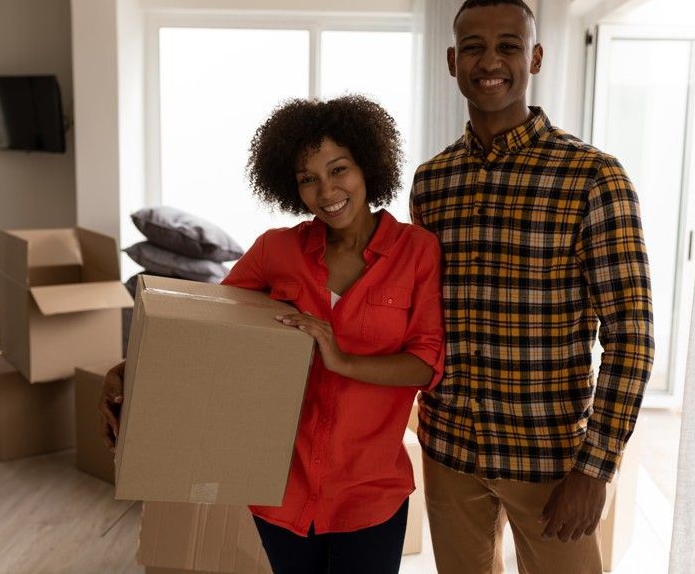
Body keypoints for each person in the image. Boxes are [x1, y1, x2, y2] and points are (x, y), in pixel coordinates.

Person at [99, 95, 445, 574]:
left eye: (339, 170)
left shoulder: (417, 252)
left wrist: (341, 358)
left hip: (370, 491)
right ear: (291, 186)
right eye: (308, 179)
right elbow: (206, 331)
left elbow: (426, 364)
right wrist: (125, 372)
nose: (327, 192)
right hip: (281, 486)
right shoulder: (276, 251)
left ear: (367, 165)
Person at [409, 0, 654, 574]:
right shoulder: (431, 182)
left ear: (535, 58)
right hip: (448, 449)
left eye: (507, 46)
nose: (489, 62)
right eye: (473, 48)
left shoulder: (593, 176)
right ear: (451, 62)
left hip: (550, 459)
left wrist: (595, 470)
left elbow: (631, 334)